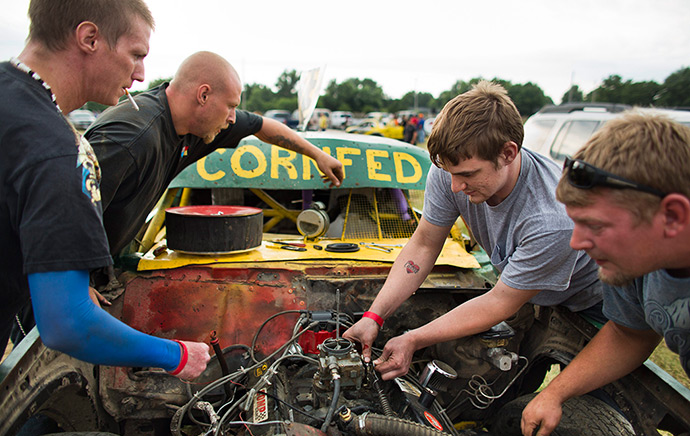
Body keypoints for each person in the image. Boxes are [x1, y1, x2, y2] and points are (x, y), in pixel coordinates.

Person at [0, 0, 210, 380]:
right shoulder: (59, 152)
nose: (142, 75)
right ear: (89, 38)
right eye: (135, 54)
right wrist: (176, 355)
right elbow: (68, 323)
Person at [343, 81, 603, 380]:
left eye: (467, 175)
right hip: (527, 291)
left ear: (508, 153)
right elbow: (425, 244)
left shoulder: (552, 219)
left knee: (586, 404)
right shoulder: (453, 168)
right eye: (450, 174)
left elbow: (500, 302)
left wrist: (413, 338)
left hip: (592, 306)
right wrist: (374, 317)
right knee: (510, 385)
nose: (455, 187)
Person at [520, 111, 690, 436]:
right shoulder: (632, 264)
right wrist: (555, 392)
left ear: (672, 216)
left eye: (595, 226)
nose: (576, 243)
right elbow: (629, 333)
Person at [86, 51, 344, 257]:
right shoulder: (131, 140)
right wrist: (76, 285)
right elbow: (64, 214)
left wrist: (317, 155)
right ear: (204, 95)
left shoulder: (192, 126)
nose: (233, 118)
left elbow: (262, 126)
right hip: (73, 278)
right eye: (231, 107)